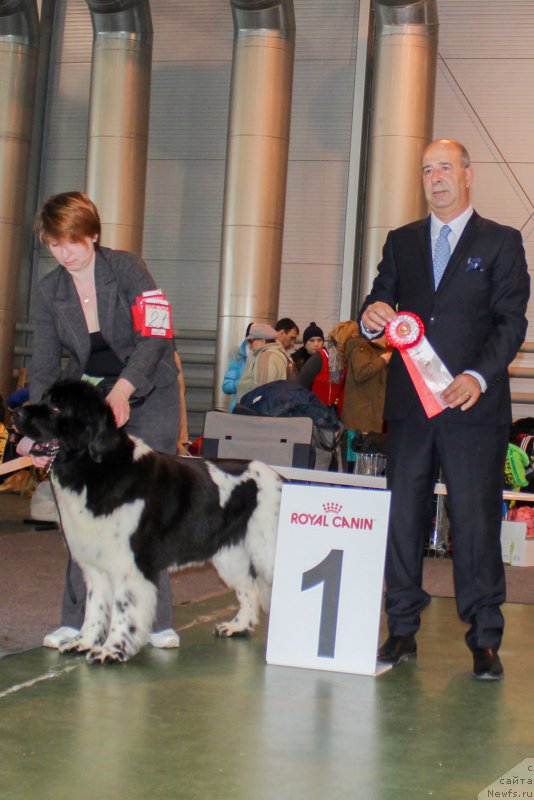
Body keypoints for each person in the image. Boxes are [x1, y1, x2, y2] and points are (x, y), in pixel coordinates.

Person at [359, 139, 530, 680]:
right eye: (427, 170)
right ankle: (401, 630)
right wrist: (371, 317)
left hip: (472, 406)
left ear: (467, 175)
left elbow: (512, 321)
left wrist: (477, 377)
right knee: (403, 518)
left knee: (475, 522)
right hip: (410, 407)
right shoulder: (401, 241)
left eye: (444, 169)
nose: (435, 179)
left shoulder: (502, 242)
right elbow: (376, 304)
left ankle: (484, 639)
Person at [19, 191, 182, 650]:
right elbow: (46, 366)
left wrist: (124, 390)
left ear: (92, 234)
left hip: (149, 392)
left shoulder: (129, 268)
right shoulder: (49, 291)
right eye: (54, 244)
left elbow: (156, 336)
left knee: (147, 508)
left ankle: (156, 619)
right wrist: (37, 432)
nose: (64, 252)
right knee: (81, 511)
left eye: (72, 240)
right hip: (91, 403)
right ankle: (77, 619)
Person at [298, 320, 359, 419]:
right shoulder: (319, 359)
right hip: (319, 419)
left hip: (342, 419)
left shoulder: (351, 361)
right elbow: (299, 388)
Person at [343, 332, 391, 433]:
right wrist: (383, 359)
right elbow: (360, 373)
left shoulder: (381, 350)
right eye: (386, 333)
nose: (389, 337)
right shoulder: (361, 348)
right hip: (361, 414)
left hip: (373, 411)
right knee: (361, 446)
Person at [235, 322, 290, 403]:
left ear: (262, 340)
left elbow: (261, 391)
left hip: (258, 412)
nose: (250, 345)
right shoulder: (278, 353)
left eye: (251, 341)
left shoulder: (265, 357)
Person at [221, 322, 254, 411]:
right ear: (248, 339)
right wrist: (243, 384)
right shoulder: (237, 355)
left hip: (257, 411)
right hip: (238, 409)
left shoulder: (265, 356)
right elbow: (226, 386)